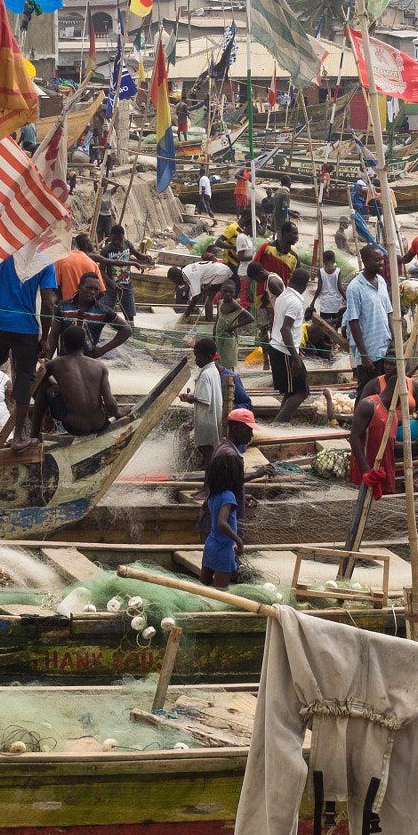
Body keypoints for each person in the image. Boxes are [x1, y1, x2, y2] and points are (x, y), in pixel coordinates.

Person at [0, 253, 57, 449]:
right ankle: (17, 437)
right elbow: (48, 304)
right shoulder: (46, 260)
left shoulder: (7, 251)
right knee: (25, 376)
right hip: (25, 327)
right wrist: (46, 336)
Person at [33, 325, 126, 437]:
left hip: (75, 427)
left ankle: (34, 435)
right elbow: (110, 402)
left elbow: (36, 384)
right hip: (100, 425)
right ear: (84, 345)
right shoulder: (100, 367)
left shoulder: (54, 364)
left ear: (64, 345)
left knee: (44, 385)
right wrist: (118, 413)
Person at [200, 427, 244, 589]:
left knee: (203, 586)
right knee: (220, 592)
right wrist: (239, 541)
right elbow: (221, 523)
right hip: (224, 550)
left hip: (210, 546)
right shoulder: (228, 496)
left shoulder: (213, 494)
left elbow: (206, 507)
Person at [180, 336, 232, 468]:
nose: (196, 360)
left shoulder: (204, 375)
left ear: (209, 356)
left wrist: (189, 398)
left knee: (208, 454)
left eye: (198, 357)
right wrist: (192, 394)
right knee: (211, 453)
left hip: (206, 421)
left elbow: (205, 399)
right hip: (213, 418)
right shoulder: (213, 370)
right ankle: (209, 484)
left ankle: (208, 485)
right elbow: (206, 395)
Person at [342, 245, 395, 375]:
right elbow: (353, 322)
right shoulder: (355, 288)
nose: (381, 263)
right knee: (367, 391)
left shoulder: (381, 282)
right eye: (377, 260)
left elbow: (389, 313)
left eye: (382, 259)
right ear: (365, 261)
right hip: (369, 352)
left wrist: (393, 339)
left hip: (385, 350)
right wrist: (364, 355)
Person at [55, 273, 132, 358]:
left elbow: (126, 330)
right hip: (64, 360)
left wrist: (103, 350)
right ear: (79, 287)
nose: (92, 292)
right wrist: (48, 359)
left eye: (96, 289)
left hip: (88, 361)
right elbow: (54, 334)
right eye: (88, 288)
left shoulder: (103, 311)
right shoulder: (63, 306)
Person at [269, 267, 311, 423]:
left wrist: (296, 350)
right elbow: (285, 329)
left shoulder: (283, 296)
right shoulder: (295, 302)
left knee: (290, 390)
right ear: (305, 284)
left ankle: (282, 424)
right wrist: (295, 357)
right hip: (284, 351)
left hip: (279, 347)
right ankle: (277, 426)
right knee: (302, 391)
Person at [95, 224, 138, 327]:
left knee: (129, 316)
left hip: (127, 287)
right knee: (104, 314)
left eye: (119, 239)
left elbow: (138, 255)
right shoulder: (106, 250)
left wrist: (146, 258)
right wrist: (112, 283)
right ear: (111, 236)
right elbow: (101, 270)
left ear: (123, 236)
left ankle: (131, 338)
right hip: (110, 289)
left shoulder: (128, 244)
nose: (117, 242)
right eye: (114, 239)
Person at [175, 252, 235, 320]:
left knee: (207, 298)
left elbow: (196, 296)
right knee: (208, 296)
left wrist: (188, 311)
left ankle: (209, 320)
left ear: (176, 277)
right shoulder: (188, 268)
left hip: (220, 273)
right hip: (223, 270)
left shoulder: (188, 275)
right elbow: (199, 293)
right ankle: (218, 318)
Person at [309, 248, 346, 354]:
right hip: (336, 302)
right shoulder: (338, 271)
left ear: (324, 259)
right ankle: (334, 346)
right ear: (334, 259)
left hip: (325, 302)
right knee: (335, 324)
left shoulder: (321, 271)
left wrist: (313, 301)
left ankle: (327, 346)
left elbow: (319, 288)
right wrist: (346, 298)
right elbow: (339, 287)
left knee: (325, 326)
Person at [53, 234, 105, 305]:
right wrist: (89, 304)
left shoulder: (59, 261)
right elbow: (101, 292)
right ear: (77, 247)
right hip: (86, 310)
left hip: (67, 309)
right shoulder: (92, 263)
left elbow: (55, 288)